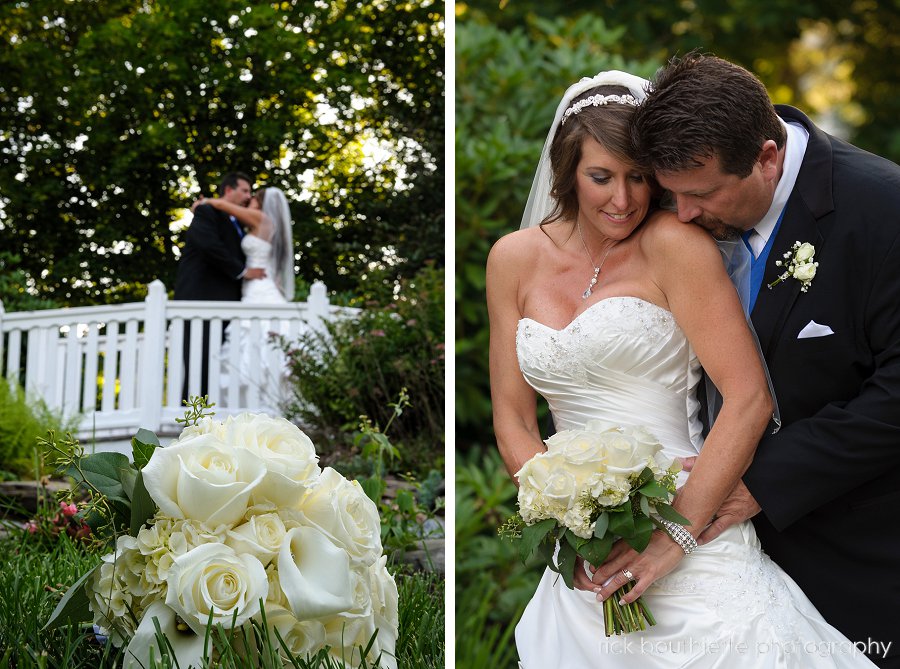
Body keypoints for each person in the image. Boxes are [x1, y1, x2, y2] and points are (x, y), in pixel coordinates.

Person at [487, 71, 876, 667]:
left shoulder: (675, 245)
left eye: (639, 178)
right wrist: (570, 513)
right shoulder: (511, 259)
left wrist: (675, 533)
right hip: (586, 553)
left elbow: (749, 398)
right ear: (567, 170)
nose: (622, 199)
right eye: (601, 177)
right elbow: (514, 419)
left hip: (690, 520)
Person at [631, 52, 900, 668]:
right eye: (673, 196)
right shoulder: (681, 215)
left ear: (767, 158)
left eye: (700, 195)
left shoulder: (884, 213)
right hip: (719, 571)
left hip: (857, 557)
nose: (685, 216)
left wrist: (766, 481)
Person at [191, 186, 295, 411]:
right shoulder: (266, 225)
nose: (248, 202)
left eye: (253, 198)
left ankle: (260, 401)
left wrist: (205, 202)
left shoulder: (261, 218)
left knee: (254, 341)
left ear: (261, 203)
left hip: (258, 289)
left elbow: (221, 205)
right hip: (257, 286)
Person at [173, 172, 264, 400]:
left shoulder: (239, 224)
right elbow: (209, 245)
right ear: (228, 190)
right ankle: (191, 414)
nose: (248, 195)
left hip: (227, 302)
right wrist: (242, 272)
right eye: (244, 190)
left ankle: (213, 410)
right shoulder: (207, 211)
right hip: (200, 297)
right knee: (197, 358)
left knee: (218, 358)